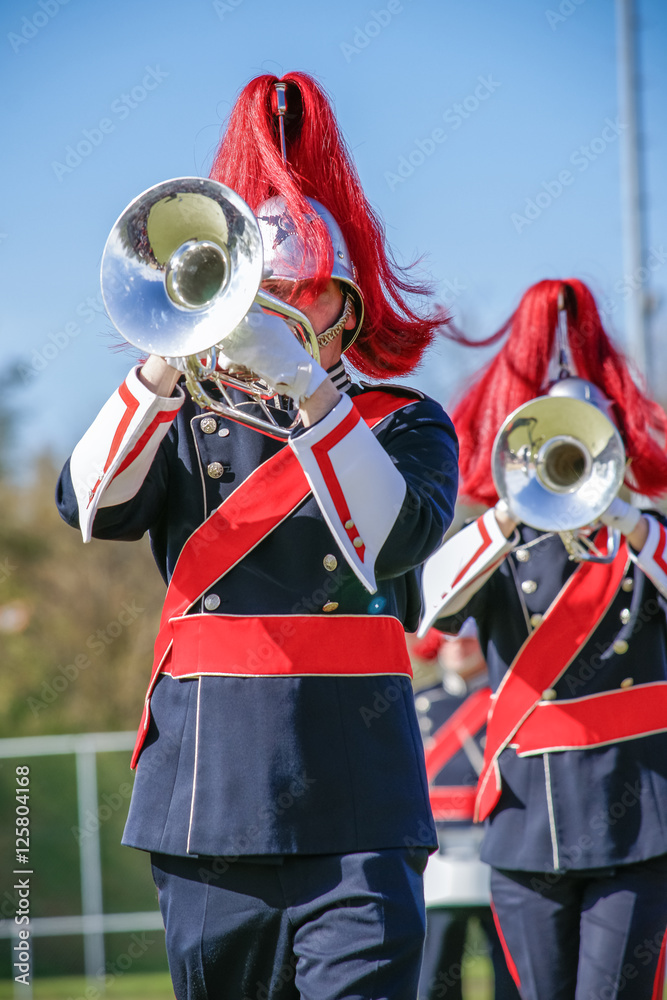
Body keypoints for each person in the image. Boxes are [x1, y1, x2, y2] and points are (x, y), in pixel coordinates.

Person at [56, 71, 459, 1000]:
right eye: (260, 287)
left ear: (345, 311)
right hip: (208, 800)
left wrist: (309, 392)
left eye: (301, 292)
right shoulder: (183, 415)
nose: (274, 307)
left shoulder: (403, 424)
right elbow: (87, 502)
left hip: (359, 802)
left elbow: (391, 537)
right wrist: (168, 355)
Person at [418, 278, 667, 1000]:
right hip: (528, 823)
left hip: (637, 817)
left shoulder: (642, 538)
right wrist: (502, 513)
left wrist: (628, 519)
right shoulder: (501, 546)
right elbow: (427, 605)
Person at [410, 627, 520, 1000]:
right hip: (438, 856)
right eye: (448, 636)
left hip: (499, 846)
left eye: (467, 635)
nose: (456, 644)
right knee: (436, 973)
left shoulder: (507, 705)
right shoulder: (416, 704)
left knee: (511, 972)